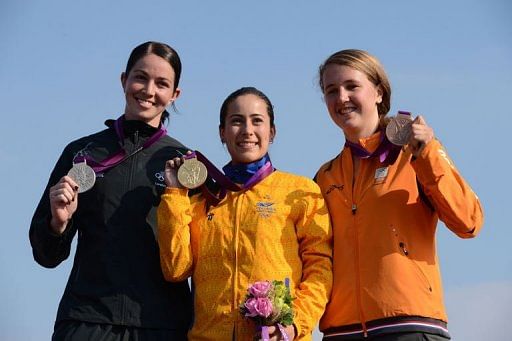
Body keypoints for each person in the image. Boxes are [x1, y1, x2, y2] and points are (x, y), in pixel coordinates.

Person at [315, 49, 484, 340]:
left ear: (379, 93)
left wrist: (427, 154)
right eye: (331, 90)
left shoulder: (414, 153)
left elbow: (469, 221)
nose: (341, 98)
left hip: (409, 326)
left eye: (352, 86)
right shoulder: (325, 176)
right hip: (341, 332)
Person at [29, 41, 193, 340]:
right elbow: (46, 255)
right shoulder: (81, 153)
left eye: (162, 83)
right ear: (124, 80)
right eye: (140, 77)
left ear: (174, 95)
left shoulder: (185, 165)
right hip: (86, 319)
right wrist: (58, 223)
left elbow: (200, 256)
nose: (148, 90)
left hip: (162, 325)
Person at [157, 87, 333, 340]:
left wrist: (294, 325)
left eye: (257, 121)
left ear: (272, 132)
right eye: (237, 121)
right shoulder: (203, 197)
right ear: (222, 132)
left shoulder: (300, 191)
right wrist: (174, 193)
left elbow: (320, 269)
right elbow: (175, 269)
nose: (247, 130)